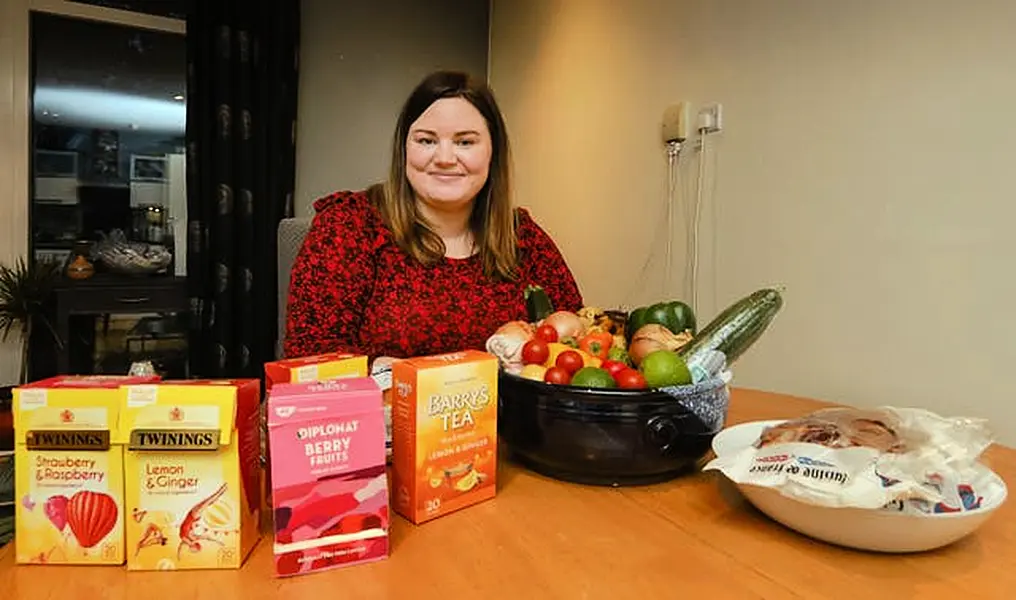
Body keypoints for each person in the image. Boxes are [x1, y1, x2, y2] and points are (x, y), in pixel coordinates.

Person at [283, 70, 583, 361]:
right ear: (404, 148)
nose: (443, 158)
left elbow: (578, 337)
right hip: (386, 411)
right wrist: (397, 373)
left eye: (465, 142)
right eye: (426, 140)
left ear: (493, 152)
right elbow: (308, 357)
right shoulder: (350, 226)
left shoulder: (523, 238)